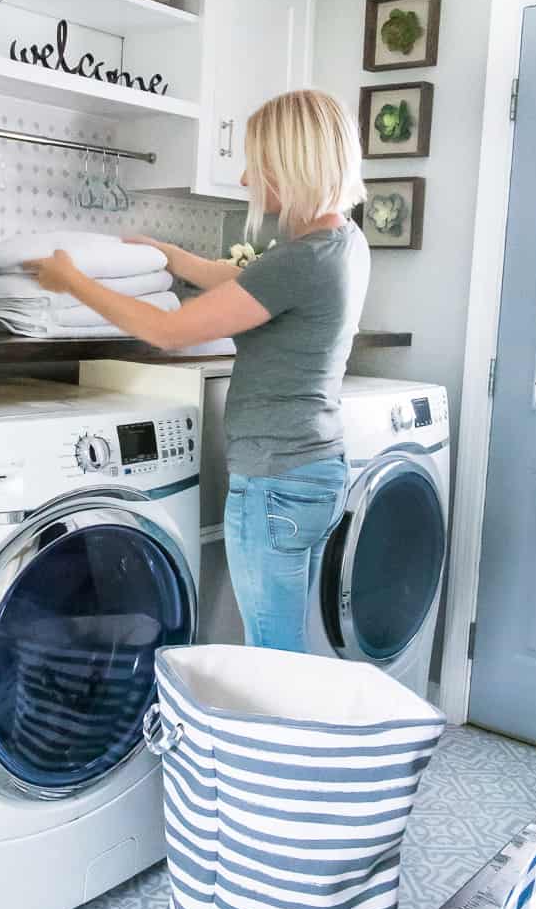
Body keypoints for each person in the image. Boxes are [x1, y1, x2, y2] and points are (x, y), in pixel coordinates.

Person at [25, 89, 370, 653]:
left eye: (257, 164)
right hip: (317, 467)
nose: (243, 178)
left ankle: (268, 742)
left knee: (274, 657)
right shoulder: (343, 244)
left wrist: (75, 282)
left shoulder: (300, 261)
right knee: (290, 648)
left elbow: (168, 331)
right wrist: (166, 253)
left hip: (274, 482)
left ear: (290, 169)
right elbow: (238, 282)